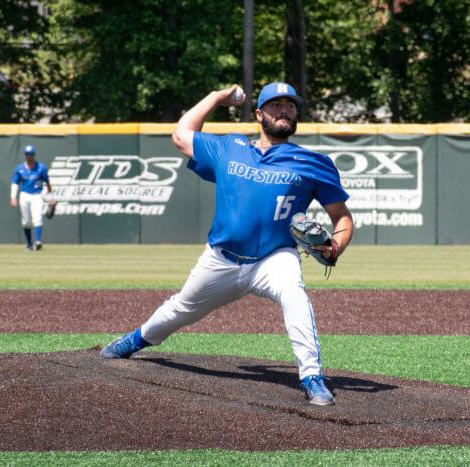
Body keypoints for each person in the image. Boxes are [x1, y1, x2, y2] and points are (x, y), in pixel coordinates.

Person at [101, 82, 353, 406]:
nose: (284, 110)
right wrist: (217, 98)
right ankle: (135, 340)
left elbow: (342, 218)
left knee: (295, 295)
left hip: (275, 257)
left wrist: (335, 248)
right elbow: (181, 135)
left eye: (290, 105)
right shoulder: (230, 148)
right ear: (259, 114)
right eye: (275, 105)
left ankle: (312, 378)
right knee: (181, 310)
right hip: (221, 259)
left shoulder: (314, 163)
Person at [10, 145, 54, 251]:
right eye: (27, 154)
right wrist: (13, 197)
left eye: (31, 154)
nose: (29, 156)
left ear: (34, 155)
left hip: (37, 195)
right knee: (26, 221)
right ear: (24, 155)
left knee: (37, 218)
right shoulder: (20, 168)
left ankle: (38, 242)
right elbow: (15, 183)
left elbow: (47, 183)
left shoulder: (41, 167)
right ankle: (29, 244)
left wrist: (51, 197)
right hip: (24, 195)